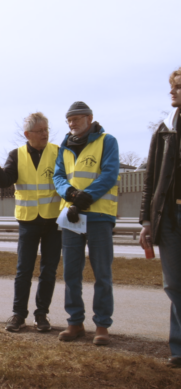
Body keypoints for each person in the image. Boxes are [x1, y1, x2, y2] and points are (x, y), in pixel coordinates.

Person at [0, 112, 61, 333]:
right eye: (40, 131)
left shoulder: (59, 153)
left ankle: (41, 315)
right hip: (28, 221)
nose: (45, 134)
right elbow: (5, 181)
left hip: (54, 221)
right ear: (27, 134)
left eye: (46, 130)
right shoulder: (16, 155)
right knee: (23, 271)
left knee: (48, 271)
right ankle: (19, 315)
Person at [53, 101, 120, 345]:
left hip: (99, 216)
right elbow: (58, 176)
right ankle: (75, 322)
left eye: (77, 119)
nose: (72, 123)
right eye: (69, 120)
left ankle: (102, 325)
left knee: (102, 273)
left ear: (89, 119)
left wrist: (84, 199)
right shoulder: (64, 146)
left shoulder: (107, 141)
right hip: (72, 217)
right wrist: (70, 194)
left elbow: (109, 174)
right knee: (71, 273)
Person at [139, 67, 181, 368]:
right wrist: (146, 222)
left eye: (178, 87)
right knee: (174, 285)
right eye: (173, 86)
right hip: (169, 217)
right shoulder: (164, 130)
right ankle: (178, 349)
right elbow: (151, 179)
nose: (172, 91)